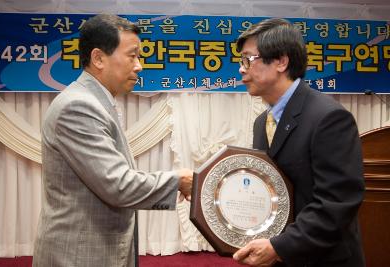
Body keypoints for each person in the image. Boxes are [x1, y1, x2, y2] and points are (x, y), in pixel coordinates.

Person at [32, 14, 193, 267]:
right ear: (98, 58)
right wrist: (179, 181)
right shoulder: (78, 106)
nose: (139, 65)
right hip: (78, 256)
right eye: (132, 55)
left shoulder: (94, 101)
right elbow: (117, 186)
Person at [232, 18, 365, 267]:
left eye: (248, 59)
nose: (241, 69)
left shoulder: (329, 118)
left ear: (281, 61)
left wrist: (279, 246)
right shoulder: (261, 123)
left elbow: (337, 202)